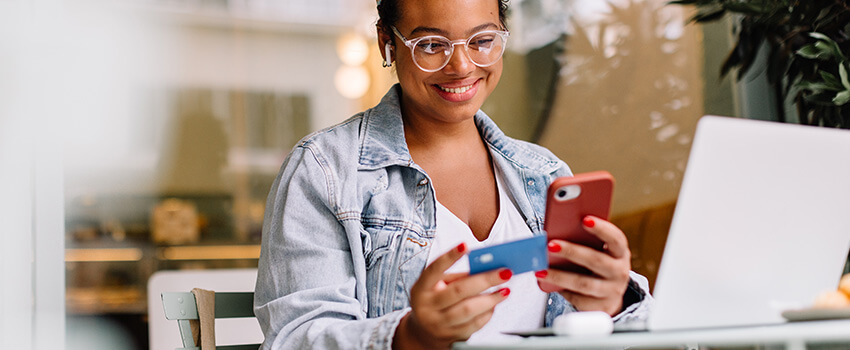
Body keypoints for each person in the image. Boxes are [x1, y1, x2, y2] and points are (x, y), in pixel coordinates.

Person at [254, 0, 653, 348]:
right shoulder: (325, 171)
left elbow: (648, 334)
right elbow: (296, 338)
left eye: (481, 41)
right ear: (386, 42)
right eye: (430, 45)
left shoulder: (544, 174)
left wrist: (614, 304)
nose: (461, 66)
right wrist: (411, 337)